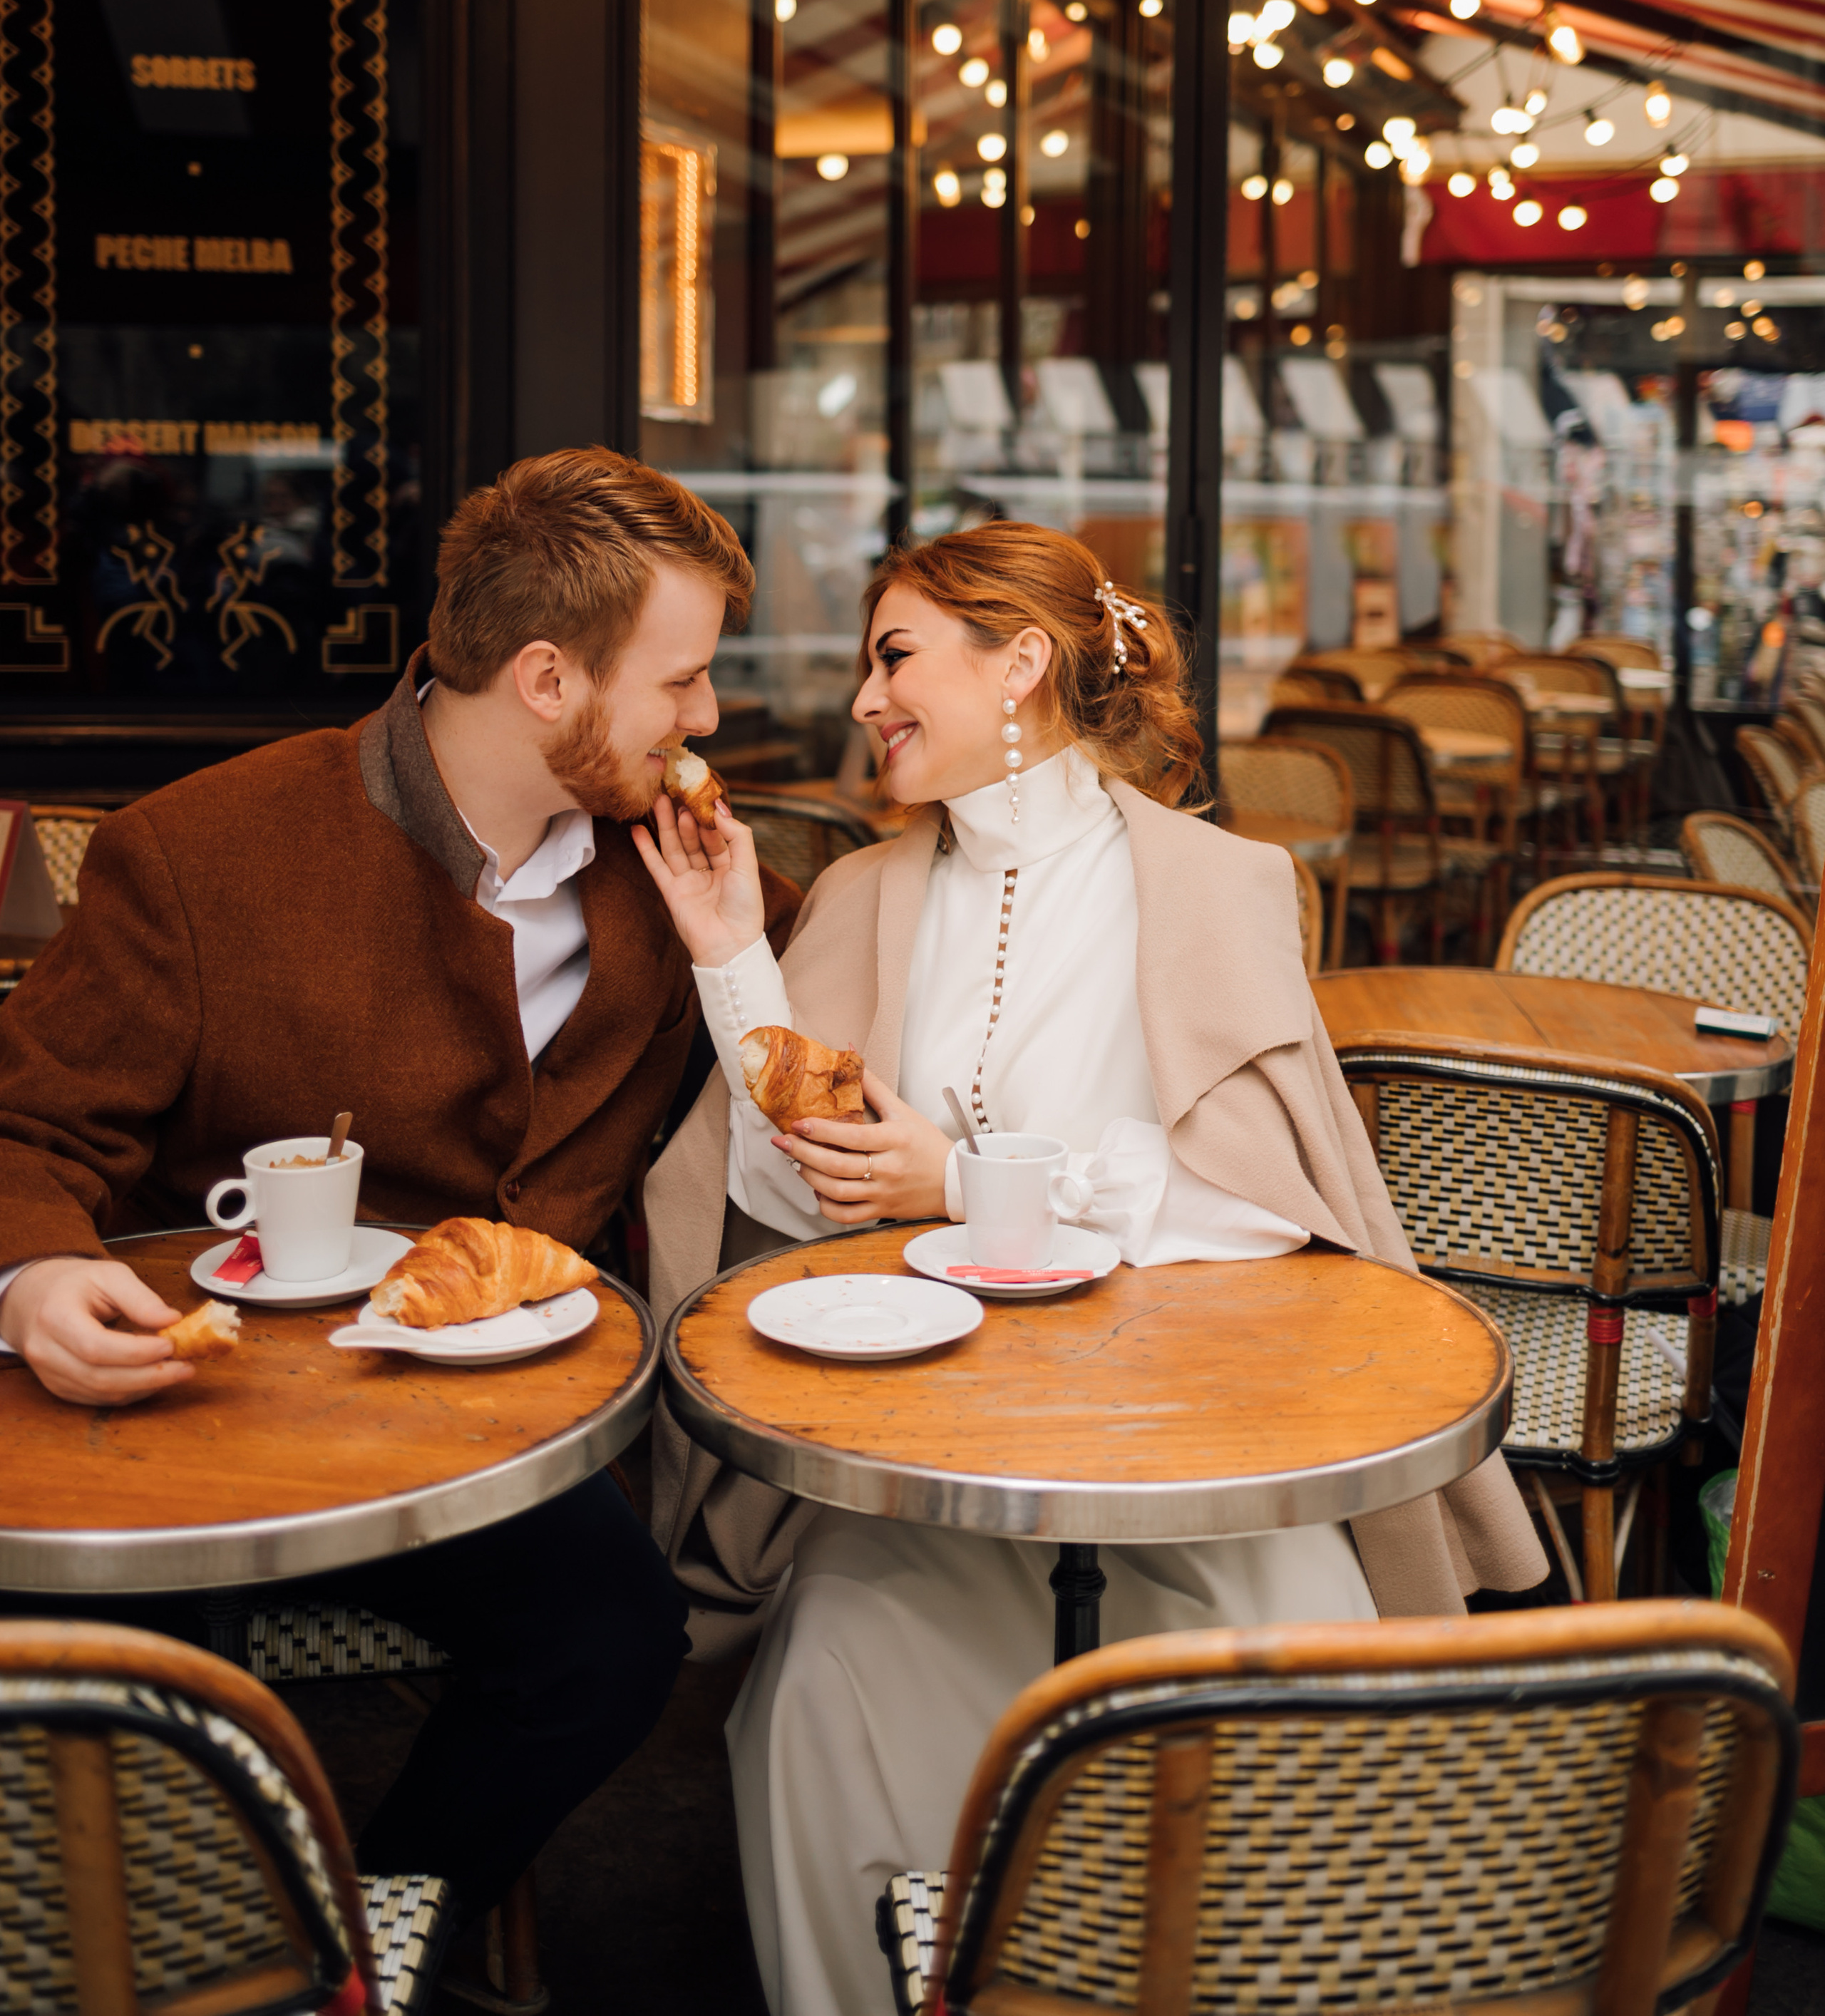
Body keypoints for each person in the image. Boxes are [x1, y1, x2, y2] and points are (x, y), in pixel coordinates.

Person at [635, 521, 1546, 2016]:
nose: (863, 699)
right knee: (815, 1687)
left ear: (1022, 666)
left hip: (1188, 1457)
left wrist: (975, 1181)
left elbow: (1259, 1208)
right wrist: (733, 952)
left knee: (1291, 1696)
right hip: (936, 1462)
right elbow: (781, 1192)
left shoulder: (1216, 886)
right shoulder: (867, 892)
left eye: (894, 656)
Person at [0, 446, 798, 1925]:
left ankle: (363, 1939)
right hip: (215, 1417)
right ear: (548, 682)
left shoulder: (679, 862)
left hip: (501, 1434)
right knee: (109, 1702)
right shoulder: (195, 853)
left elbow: (812, 1075)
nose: (706, 718)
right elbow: (24, 1133)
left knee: (614, 1644)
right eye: (681, 680)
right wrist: (36, 1270)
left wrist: (730, 944)